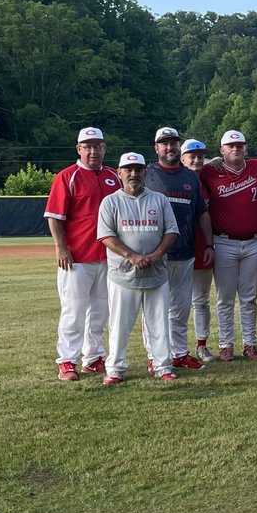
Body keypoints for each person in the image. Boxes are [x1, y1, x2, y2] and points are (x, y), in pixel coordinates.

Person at [96, 152, 180, 384]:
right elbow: (105, 236)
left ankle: (163, 365)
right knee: (119, 324)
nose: (134, 174)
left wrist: (155, 255)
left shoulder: (159, 199)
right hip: (123, 274)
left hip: (156, 272)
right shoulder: (111, 201)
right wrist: (132, 256)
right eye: (128, 169)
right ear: (120, 172)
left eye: (138, 169)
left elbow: (171, 231)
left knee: (159, 322)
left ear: (145, 172)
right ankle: (115, 368)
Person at [44, 127, 119, 381]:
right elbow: (55, 217)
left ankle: (93, 357)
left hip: (108, 256)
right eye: (87, 146)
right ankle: (67, 360)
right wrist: (61, 247)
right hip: (76, 257)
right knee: (73, 311)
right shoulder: (67, 176)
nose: (92, 151)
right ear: (78, 149)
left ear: (104, 148)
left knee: (100, 311)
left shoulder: (114, 176)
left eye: (97, 146)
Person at [143, 126, 211, 371]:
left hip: (185, 251)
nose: (170, 147)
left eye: (174, 142)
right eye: (165, 143)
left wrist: (209, 243)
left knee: (180, 309)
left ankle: (180, 353)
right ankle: (154, 356)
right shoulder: (147, 173)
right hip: (156, 253)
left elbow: (201, 213)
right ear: (156, 147)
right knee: (154, 309)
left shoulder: (190, 176)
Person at [199, 129, 257, 361]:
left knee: (249, 298)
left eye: (240, 145)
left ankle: (250, 344)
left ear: (246, 148)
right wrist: (210, 161)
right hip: (224, 241)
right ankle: (226, 345)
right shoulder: (210, 170)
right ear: (222, 150)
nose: (236, 149)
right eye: (231, 146)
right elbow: (188, 164)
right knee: (225, 298)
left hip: (253, 242)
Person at [180, 139, 221, 362]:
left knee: (201, 300)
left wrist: (209, 244)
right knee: (176, 302)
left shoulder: (206, 182)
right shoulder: (173, 180)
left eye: (200, 156)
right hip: (178, 249)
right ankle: (175, 346)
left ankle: (201, 344)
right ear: (182, 158)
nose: (196, 160)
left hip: (203, 247)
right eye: (191, 156)